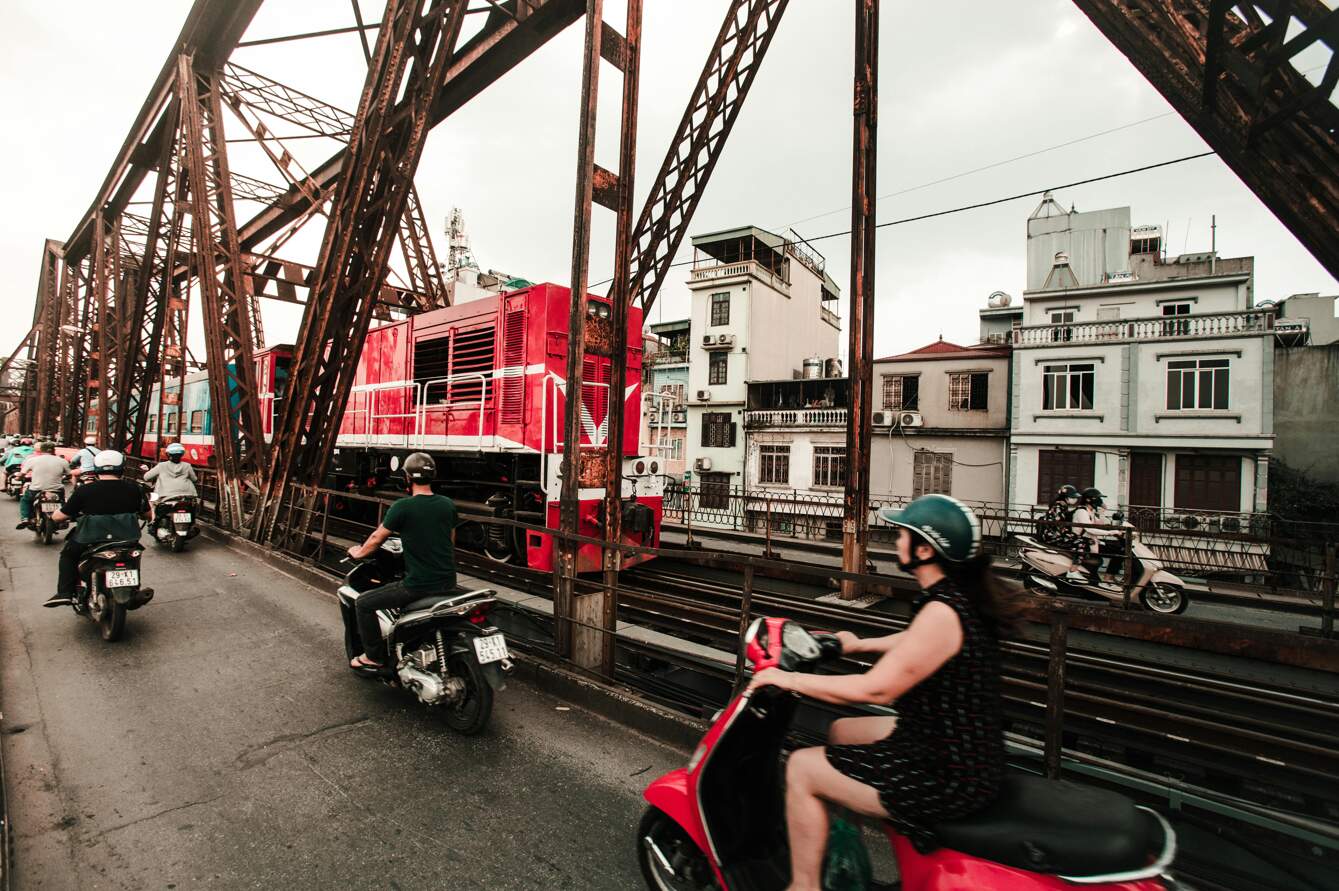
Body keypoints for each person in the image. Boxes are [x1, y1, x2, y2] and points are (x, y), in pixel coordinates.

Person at [747, 495, 1015, 891]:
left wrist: (788, 680)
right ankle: (842, 853)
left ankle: (803, 886)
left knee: (802, 768)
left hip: (944, 773)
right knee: (842, 732)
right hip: (956, 746)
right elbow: (915, 641)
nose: (896, 539)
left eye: (903, 533)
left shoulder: (942, 612)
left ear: (925, 549)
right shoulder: (955, 598)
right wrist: (859, 644)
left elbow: (878, 688)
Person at [345, 452, 457, 670]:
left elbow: (377, 538)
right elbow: (450, 541)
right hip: (448, 582)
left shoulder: (402, 507)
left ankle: (374, 656)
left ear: (407, 478)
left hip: (419, 586)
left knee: (363, 603)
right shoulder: (447, 505)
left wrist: (358, 553)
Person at [45, 450, 149, 609]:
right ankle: (134, 590)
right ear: (122, 468)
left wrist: (52, 518)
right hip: (127, 538)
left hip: (91, 538)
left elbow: (61, 516)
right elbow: (147, 514)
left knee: (68, 555)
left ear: (97, 468)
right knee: (133, 558)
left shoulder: (85, 490)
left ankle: (65, 593)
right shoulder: (135, 489)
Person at [1071, 487, 1118, 583]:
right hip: (1084, 543)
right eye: (1097, 498)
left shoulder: (1090, 511)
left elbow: (1100, 524)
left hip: (1092, 542)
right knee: (1117, 551)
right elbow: (1090, 529)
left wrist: (1102, 513)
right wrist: (1111, 533)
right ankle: (1107, 578)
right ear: (1088, 499)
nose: (1100, 501)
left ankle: (1109, 576)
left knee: (1119, 549)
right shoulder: (1081, 511)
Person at [16, 442, 68, 529]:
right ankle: (64, 518)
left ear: (41, 450)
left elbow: (22, 473)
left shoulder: (32, 460)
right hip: (57, 490)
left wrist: (18, 478)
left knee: (25, 500)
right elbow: (69, 473)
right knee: (62, 502)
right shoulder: (62, 461)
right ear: (53, 450)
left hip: (35, 490)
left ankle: (25, 518)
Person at [143, 442, 198, 521]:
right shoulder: (187, 466)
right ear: (181, 455)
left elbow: (146, 477)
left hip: (166, 496)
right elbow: (195, 479)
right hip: (186, 496)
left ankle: (153, 522)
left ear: (168, 454)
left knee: (153, 504)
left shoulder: (161, 466)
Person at [1039, 483, 1083, 550]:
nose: (1075, 499)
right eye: (1073, 497)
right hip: (1052, 535)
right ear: (1065, 497)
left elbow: (1064, 517)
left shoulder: (1062, 505)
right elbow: (1058, 523)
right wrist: (1070, 534)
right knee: (1080, 542)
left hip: (1056, 533)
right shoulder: (1058, 506)